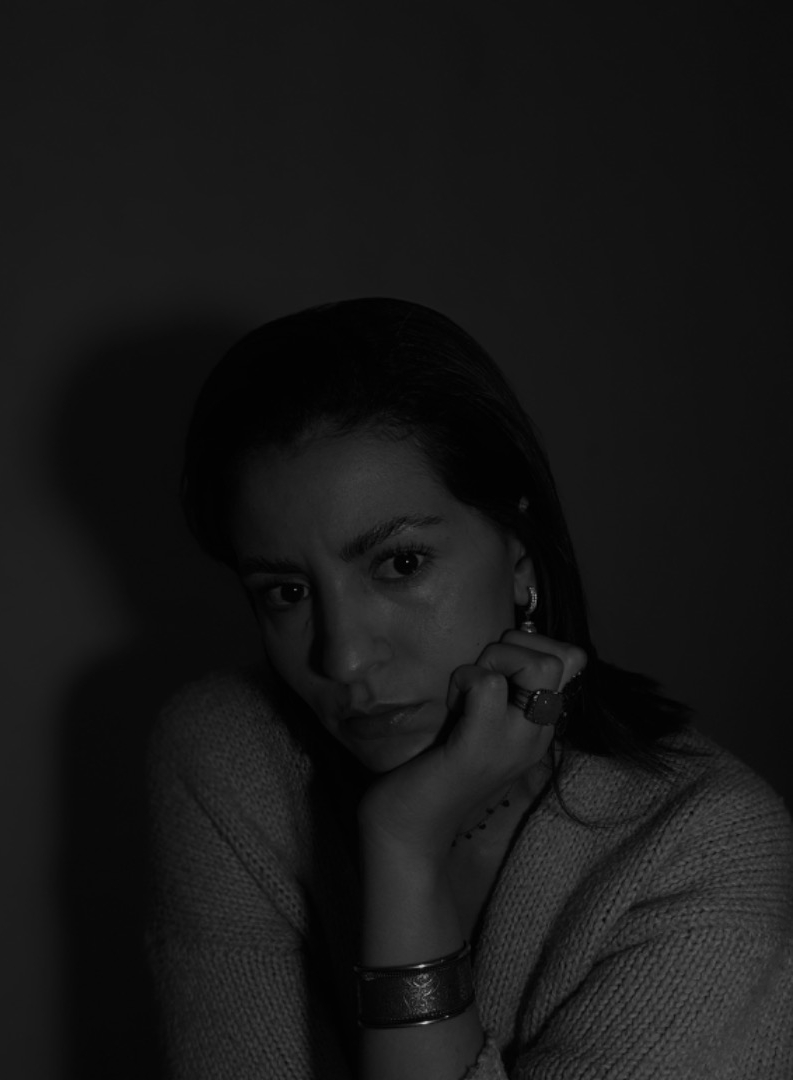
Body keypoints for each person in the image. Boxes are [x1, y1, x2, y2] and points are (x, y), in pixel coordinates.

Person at [146, 298, 793, 1079]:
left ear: (518, 550)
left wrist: (403, 848)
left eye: (401, 564)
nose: (343, 658)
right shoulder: (230, 757)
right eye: (286, 592)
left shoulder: (704, 853)